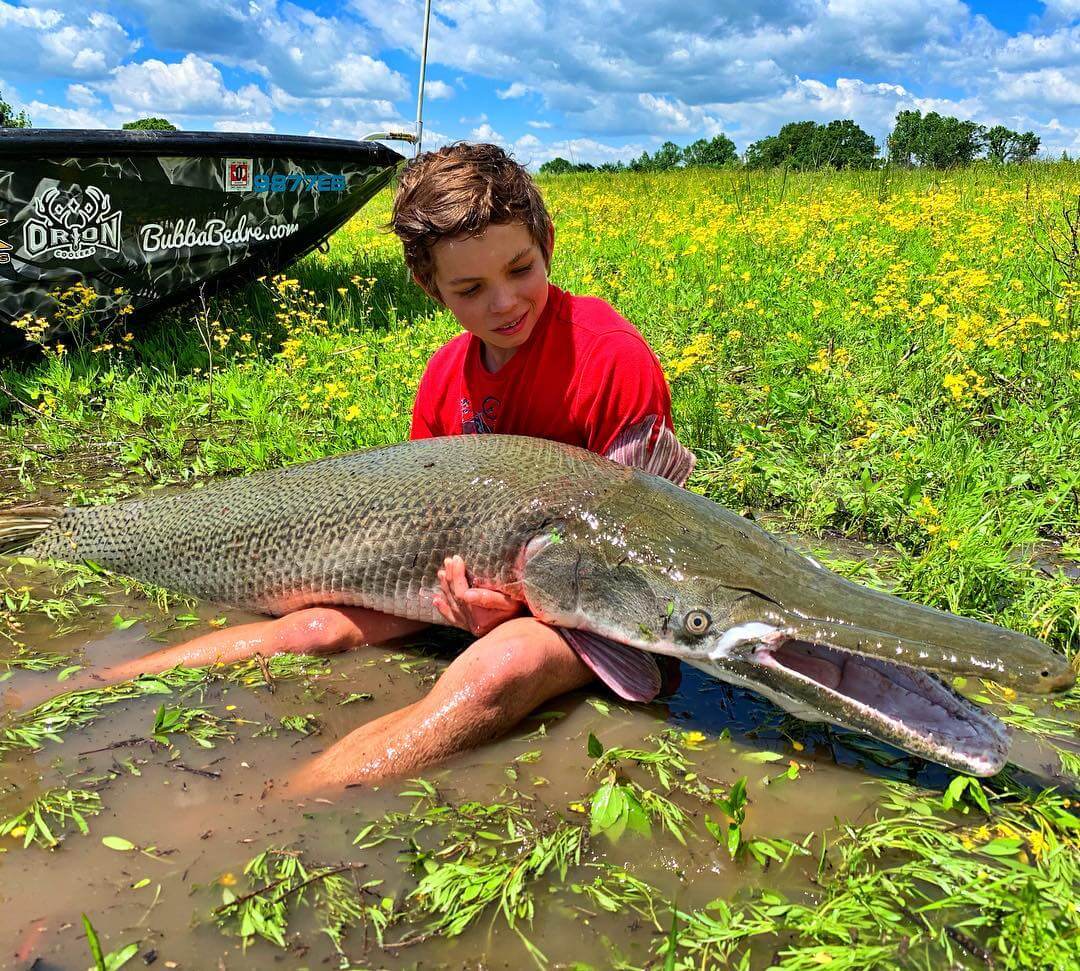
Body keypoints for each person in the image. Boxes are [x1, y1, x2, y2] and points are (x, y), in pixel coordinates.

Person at [44, 143, 694, 793]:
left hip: (600, 607)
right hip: (473, 595)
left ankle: (276, 810)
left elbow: (649, 550)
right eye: (470, 288)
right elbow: (427, 522)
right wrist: (463, 591)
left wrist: (515, 610)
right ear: (430, 287)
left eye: (520, 269)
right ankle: (74, 687)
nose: (504, 303)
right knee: (314, 628)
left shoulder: (609, 358)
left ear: (546, 242)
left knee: (500, 669)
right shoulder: (444, 378)